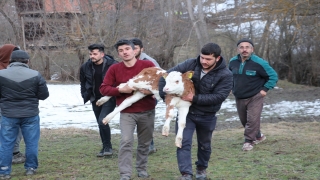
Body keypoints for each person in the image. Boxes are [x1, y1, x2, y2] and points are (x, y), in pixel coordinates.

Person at [159, 43, 233, 180]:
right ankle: (186, 173)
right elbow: (166, 76)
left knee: (205, 145)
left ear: (217, 58)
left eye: (208, 59)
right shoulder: (190, 64)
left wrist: (195, 98)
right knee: (183, 142)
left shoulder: (226, 75)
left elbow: (219, 96)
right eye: (202, 57)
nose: (204, 61)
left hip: (207, 115)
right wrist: (166, 97)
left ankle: (201, 169)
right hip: (187, 113)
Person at [100, 39, 156, 180]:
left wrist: (150, 92)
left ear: (134, 50)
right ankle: (125, 174)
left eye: (127, 49)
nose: (124, 52)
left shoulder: (147, 65)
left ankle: (141, 169)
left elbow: (160, 83)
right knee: (126, 141)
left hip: (147, 110)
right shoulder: (114, 69)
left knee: (144, 142)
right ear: (118, 54)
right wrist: (121, 90)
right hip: (126, 112)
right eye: (121, 50)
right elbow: (104, 88)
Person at [0, 50, 49, 179]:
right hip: (30, 114)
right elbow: (44, 95)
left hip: (8, 114)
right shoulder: (36, 75)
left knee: (6, 143)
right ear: (27, 61)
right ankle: (30, 168)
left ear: (11, 61)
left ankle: (4, 171)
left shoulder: (1, 74)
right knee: (31, 142)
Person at [228, 38, 278, 151]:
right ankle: (259, 136)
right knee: (244, 120)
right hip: (239, 96)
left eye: (247, 47)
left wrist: (265, 89)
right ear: (237, 49)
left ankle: (248, 141)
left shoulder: (259, 63)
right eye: (241, 47)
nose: (244, 49)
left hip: (255, 96)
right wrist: (230, 87)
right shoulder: (232, 62)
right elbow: (229, 76)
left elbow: (273, 76)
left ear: (252, 49)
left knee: (252, 119)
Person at [80, 44, 118, 157]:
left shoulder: (113, 65)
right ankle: (105, 146)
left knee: (103, 121)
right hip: (94, 98)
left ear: (102, 54)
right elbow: (83, 82)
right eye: (90, 54)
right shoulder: (85, 67)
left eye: (95, 54)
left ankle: (108, 147)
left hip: (109, 98)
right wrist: (84, 94)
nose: (92, 56)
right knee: (100, 123)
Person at [130, 37, 159, 154]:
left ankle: (149, 145)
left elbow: (160, 77)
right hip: (136, 95)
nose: (133, 51)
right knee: (138, 120)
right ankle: (146, 145)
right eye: (131, 48)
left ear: (142, 49)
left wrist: (154, 92)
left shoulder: (148, 61)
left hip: (149, 95)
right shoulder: (129, 61)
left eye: (135, 48)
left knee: (146, 121)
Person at [0, 44, 26, 164]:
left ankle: (13, 152)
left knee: (16, 128)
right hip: (5, 105)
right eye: (13, 54)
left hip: (14, 104)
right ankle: (11, 154)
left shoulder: (11, 69)